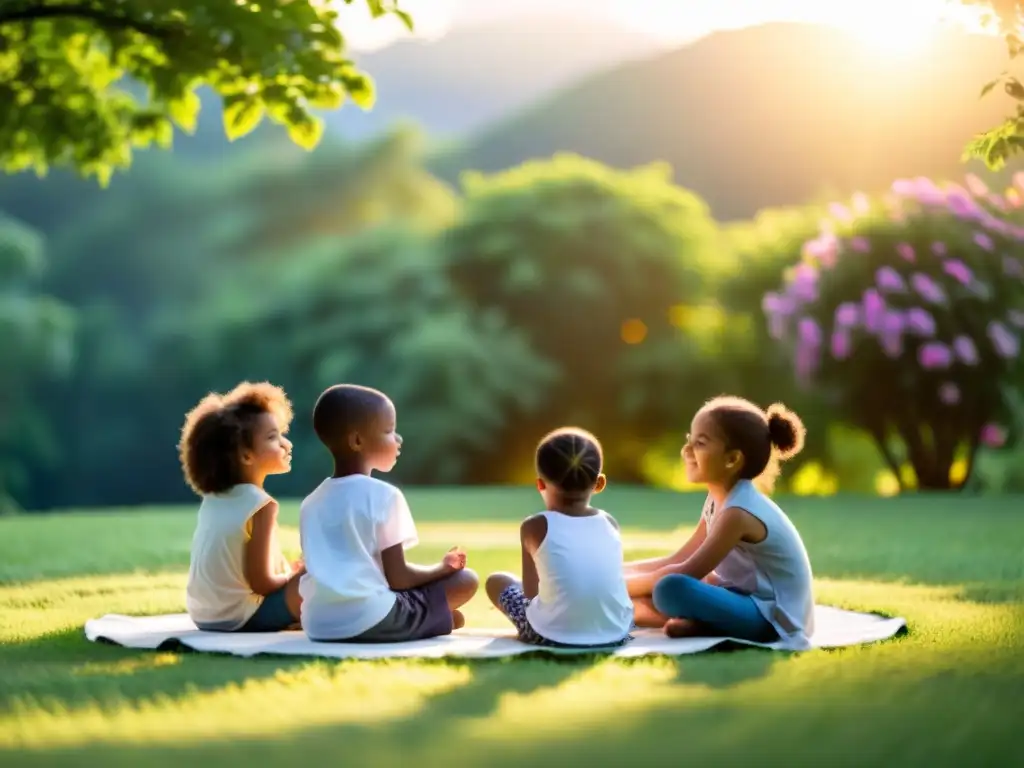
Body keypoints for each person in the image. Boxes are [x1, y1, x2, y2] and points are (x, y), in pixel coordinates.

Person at [625, 395, 815, 649]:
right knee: (660, 590)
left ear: (732, 459)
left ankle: (703, 622)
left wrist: (619, 586)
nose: (686, 451)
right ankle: (698, 621)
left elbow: (688, 571)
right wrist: (617, 570)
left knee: (669, 589)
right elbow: (677, 559)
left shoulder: (738, 512)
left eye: (700, 443)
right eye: (688, 441)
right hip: (738, 596)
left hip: (770, 617)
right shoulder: (718, 498)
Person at [298, 383, 479, 643]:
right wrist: (443, 568)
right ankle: (434, 619)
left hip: (318, 624)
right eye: (389, 431)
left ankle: (437, 619)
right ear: (357, 440)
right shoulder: (385, 495)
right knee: (466, 580)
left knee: (444, 611)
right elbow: (399, 579)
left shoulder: (310, 502)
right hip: (371, 618)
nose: (398, 439)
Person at [485, 427, 634, 648]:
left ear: (540, 484)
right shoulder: (610, 523)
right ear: (599, 483)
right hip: (616, 632)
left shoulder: (534, 526)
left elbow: (530, 593)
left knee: (497, 581)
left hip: (551, 635)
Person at [180, 381, 304, 633]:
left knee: (305, 577)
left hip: (204, 615)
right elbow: (263, 583)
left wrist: (286, 573)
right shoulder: (260, 505)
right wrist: (295, 578)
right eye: (273, 437)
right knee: (319, 575)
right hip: (241, 617)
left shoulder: (214, 497)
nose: (285, 444)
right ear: (246, 455)